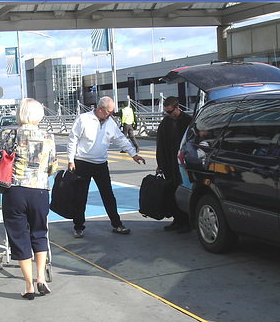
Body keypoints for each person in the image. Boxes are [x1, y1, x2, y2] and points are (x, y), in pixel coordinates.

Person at [0, 98, 57, 300]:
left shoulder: (9, 134)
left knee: (19, 236)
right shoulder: (48, 136)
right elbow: (52, 166)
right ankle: (41, 277)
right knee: (40, 232)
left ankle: (29, 285)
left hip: (14, 191)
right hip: (39, 191)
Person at [66, 96, 146, 238]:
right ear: (100, 108)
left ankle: (117, 224)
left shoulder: (110, 123)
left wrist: (133, 154)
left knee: (108, 195)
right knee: (80, 196)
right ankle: (78, 227)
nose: (111, 114)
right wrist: (70, 160)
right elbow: (73, 139)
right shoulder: (83, 119)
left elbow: (121, 139)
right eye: (109, 111)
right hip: (82, 163)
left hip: (101, 164)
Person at [155, 96, 192, 233]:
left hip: (183, 164)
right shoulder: (165, 122)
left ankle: (186, 222)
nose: (168, 114)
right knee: (172, 192)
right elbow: (160, 143)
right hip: (169, 163)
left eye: (170, 112)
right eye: (166, 112)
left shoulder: (187, 121)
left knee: (183, 191)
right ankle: (177, 220)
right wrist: (160, 164)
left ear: (177, 108)